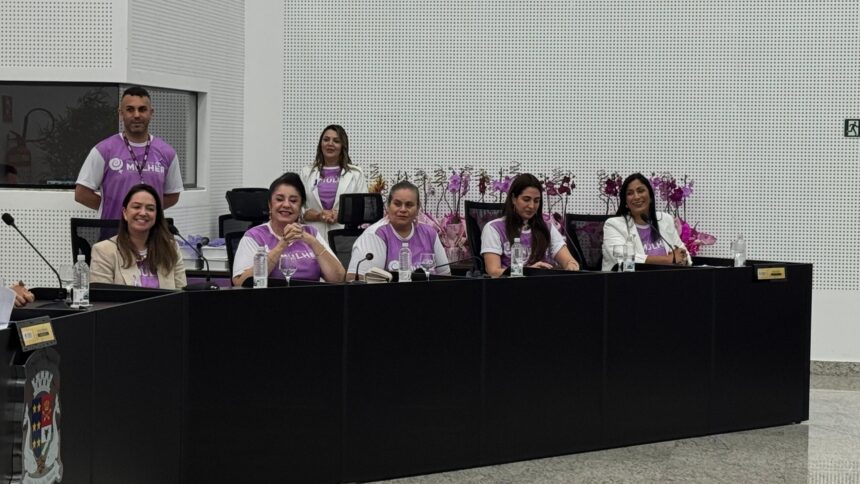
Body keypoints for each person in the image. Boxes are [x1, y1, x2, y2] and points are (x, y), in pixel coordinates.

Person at [75, 86, 183, 220]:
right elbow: (81, 194)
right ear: (121, 114)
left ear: (151, 113)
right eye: (130, 109)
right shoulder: (103, 150)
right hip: (113, 231)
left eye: (142, 109)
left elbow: (173, 196)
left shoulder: (167, 153)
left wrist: (146, 213)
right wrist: (112, 209)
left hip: (151, 232)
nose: (136, 115)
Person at [232, 173, 345, 285]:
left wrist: (313, 242)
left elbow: (338, 278)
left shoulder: (312, 233)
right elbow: (240, 282)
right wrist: (282, 245)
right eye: (279, 199)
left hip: (311, 295)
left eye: (293, 201)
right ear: (270, 204)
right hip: (270, 296)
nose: (286, 205)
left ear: (300, 207)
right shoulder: (254, 236)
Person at [481, 173, 580, 278]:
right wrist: (528, 271)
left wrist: (571, 265)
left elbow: (569, 261)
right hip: (509, 286)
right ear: (513, 199)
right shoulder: (494, 228)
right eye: (526, 199)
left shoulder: (547, 228)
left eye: (536, 201)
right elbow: (493, 271)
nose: (532, 206)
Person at [347, 181, 450, 279]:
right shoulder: (374, 234)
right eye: (397, 204)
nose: (403, 209)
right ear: (388, 206)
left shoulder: (429, 233)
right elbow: (358, 279)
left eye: (409, 205)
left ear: (418, 208)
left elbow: (445, 276)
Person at [90, 184, 187, 288]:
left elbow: (182, 293)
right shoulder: (103, 251)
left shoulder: (171, 248)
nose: (143, 213)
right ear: (125, 213)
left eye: (150, 209)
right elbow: (102, 296)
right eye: (136, 207)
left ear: (156, 215)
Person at [601, 172, 692, 271]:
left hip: (666, 278)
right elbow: (622, 259)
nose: (636, 197)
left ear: (651, 197)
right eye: (630, 193)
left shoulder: (665, 219)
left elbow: (683, 254)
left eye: (640, 191)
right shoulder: (614, 225)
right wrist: (668, 260)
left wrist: (681, 259)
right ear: (625, 202)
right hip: (628, 279)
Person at [299, 125, 367, 241]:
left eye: (336, 141)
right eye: (326, 140)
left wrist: (341, 215)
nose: (330, 144)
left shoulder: (356, 173)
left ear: (343, 146)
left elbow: (362, 209)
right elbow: (298, 209)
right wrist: (318, 215)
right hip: (312, 236)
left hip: (344, 237)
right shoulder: (306, 172)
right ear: (320, 144)